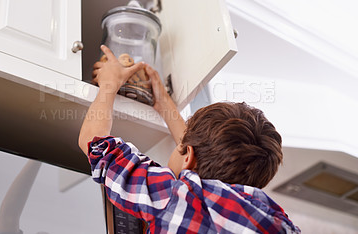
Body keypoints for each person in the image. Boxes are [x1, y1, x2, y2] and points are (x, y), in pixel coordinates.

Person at [78, 45, 301, 233]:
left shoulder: (176, 197)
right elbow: (198, 163)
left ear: (188, 156)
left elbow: (95, 144)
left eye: (181, 147)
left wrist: (108, 86)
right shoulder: (280, 222)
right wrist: (164, 103)